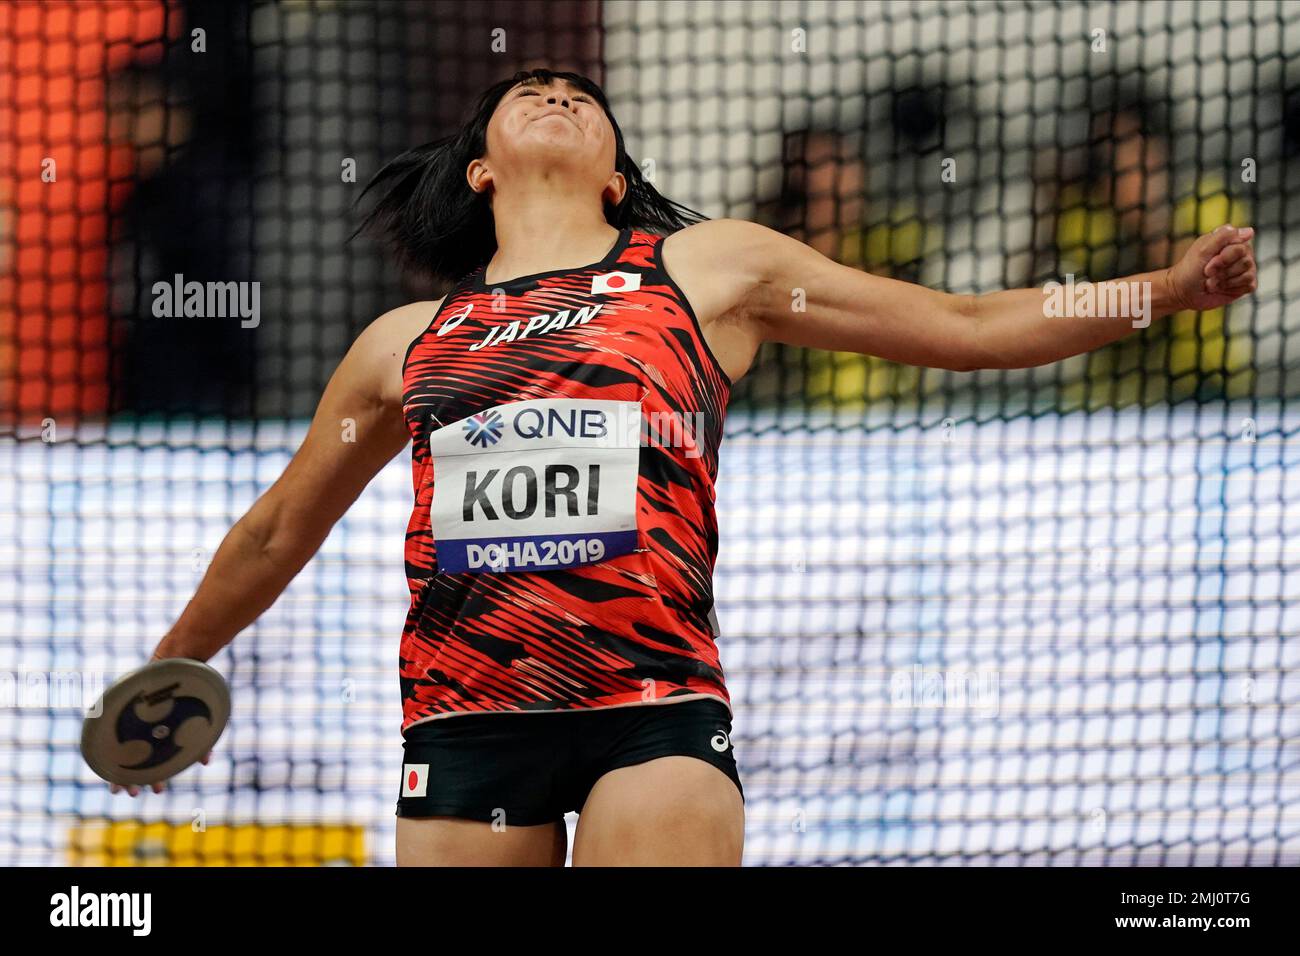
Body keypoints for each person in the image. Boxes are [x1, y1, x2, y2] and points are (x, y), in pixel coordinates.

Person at [123, 69, 1257, 867]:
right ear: (480, 167)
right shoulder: (405, 339)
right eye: (531, 91)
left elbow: (962, 322)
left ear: (617, 174)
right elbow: (279, 529)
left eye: (585, 96)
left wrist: (1157, 292)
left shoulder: (705, 270)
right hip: (469, 717)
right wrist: (168, 673)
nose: (561, 93)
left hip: (649, 706)